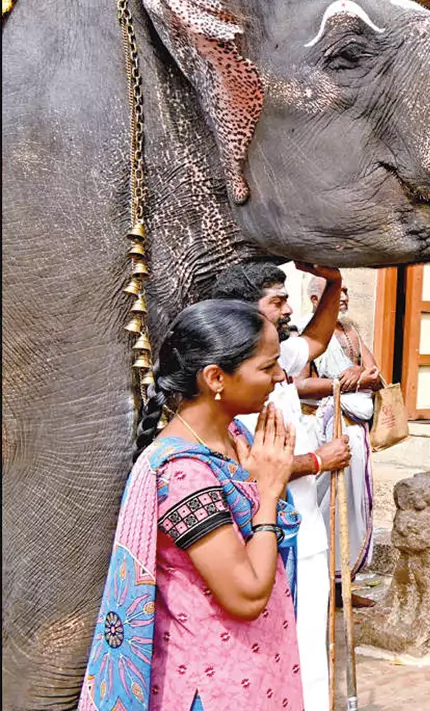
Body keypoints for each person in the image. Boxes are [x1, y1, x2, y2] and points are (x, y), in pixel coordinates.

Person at [80, 300, 303, 711]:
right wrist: (269, 493)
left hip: (255, 673)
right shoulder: (184, 474)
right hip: (214, 685)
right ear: (216, 377)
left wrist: (260, 482)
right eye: (267, 366)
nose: (280, 377)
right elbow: (247, 595)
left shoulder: (233, 436)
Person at [210, 261, 350, 711]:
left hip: (306, 529)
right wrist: (316, 460)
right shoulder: (239, 382)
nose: (289, 309)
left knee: (310, 641)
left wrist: (335, 281)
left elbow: (317, 339)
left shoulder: (276, 356)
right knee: (290, 647)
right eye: (277, 301)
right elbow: (247, 468)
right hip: (270, 538)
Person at [294, 277, 383, 590]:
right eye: (337, 292)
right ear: (317, 301)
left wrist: (360, 374)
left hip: (356, 430)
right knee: (328, 505)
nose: (344, 295)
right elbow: (300, 386)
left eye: (345, 290)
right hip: (328, 429)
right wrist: (343, 384)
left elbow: (374, 373)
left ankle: (345, 583)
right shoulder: (304, 334)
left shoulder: (350, 331)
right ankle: (324, 588)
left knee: (354, 509)